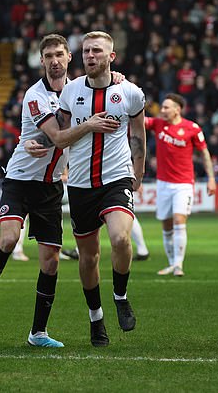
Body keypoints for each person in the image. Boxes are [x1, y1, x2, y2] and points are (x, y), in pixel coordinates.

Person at [0, 34, 120, 348]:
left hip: (50, 187)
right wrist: (90, 124)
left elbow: (107, 85)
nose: (54, 60)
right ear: (41, 60)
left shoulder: (79, 90)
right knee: (8, 239)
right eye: (48, 55)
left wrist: (118, 77)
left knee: (50, 262)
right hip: (20, 180)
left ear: (68, 58)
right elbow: (60, 138)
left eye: (59, 54)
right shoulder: (35, 95)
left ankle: (38, 333)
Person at [52, 31, 146, 346]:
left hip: (116, 178)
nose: (90, 56)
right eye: (86, 51)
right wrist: (88, 125)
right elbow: (60, 138)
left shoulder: (130, 92)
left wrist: (139, 171)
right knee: (89, 257)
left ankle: (120, 294)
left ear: (111, 57)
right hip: (79, 184)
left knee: (121, 238)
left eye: (96, 51)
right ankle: (96, 319)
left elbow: (138, 135)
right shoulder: (70, 92)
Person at [145, 93, 216, 276]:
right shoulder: (157, 124)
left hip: (183, 184)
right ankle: (171, 263)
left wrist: (211, 178)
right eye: (162, 107)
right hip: (162, 184)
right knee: (166, 226)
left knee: (178, 220)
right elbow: (138, 119)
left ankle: (178, 265)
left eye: (166, 107)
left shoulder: (192, 128)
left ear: (177, 110)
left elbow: (205, 154)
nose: (162, 110)